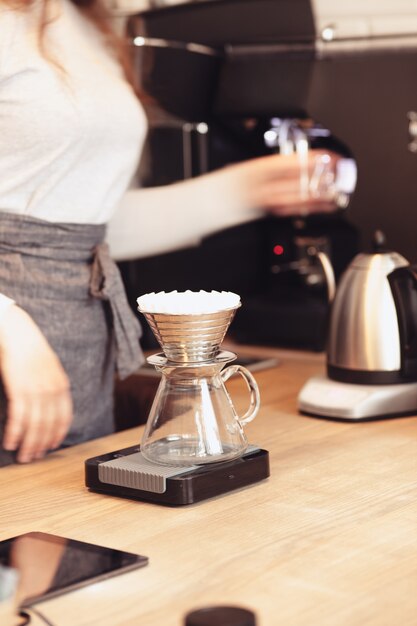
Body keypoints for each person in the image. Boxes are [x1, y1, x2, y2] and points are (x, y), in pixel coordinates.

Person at [0, 0, 340, 466]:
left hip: (76, 337)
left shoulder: (85, 22)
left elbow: (82, 228)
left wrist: (249, 190)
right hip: (16, 343)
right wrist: (9, 326)